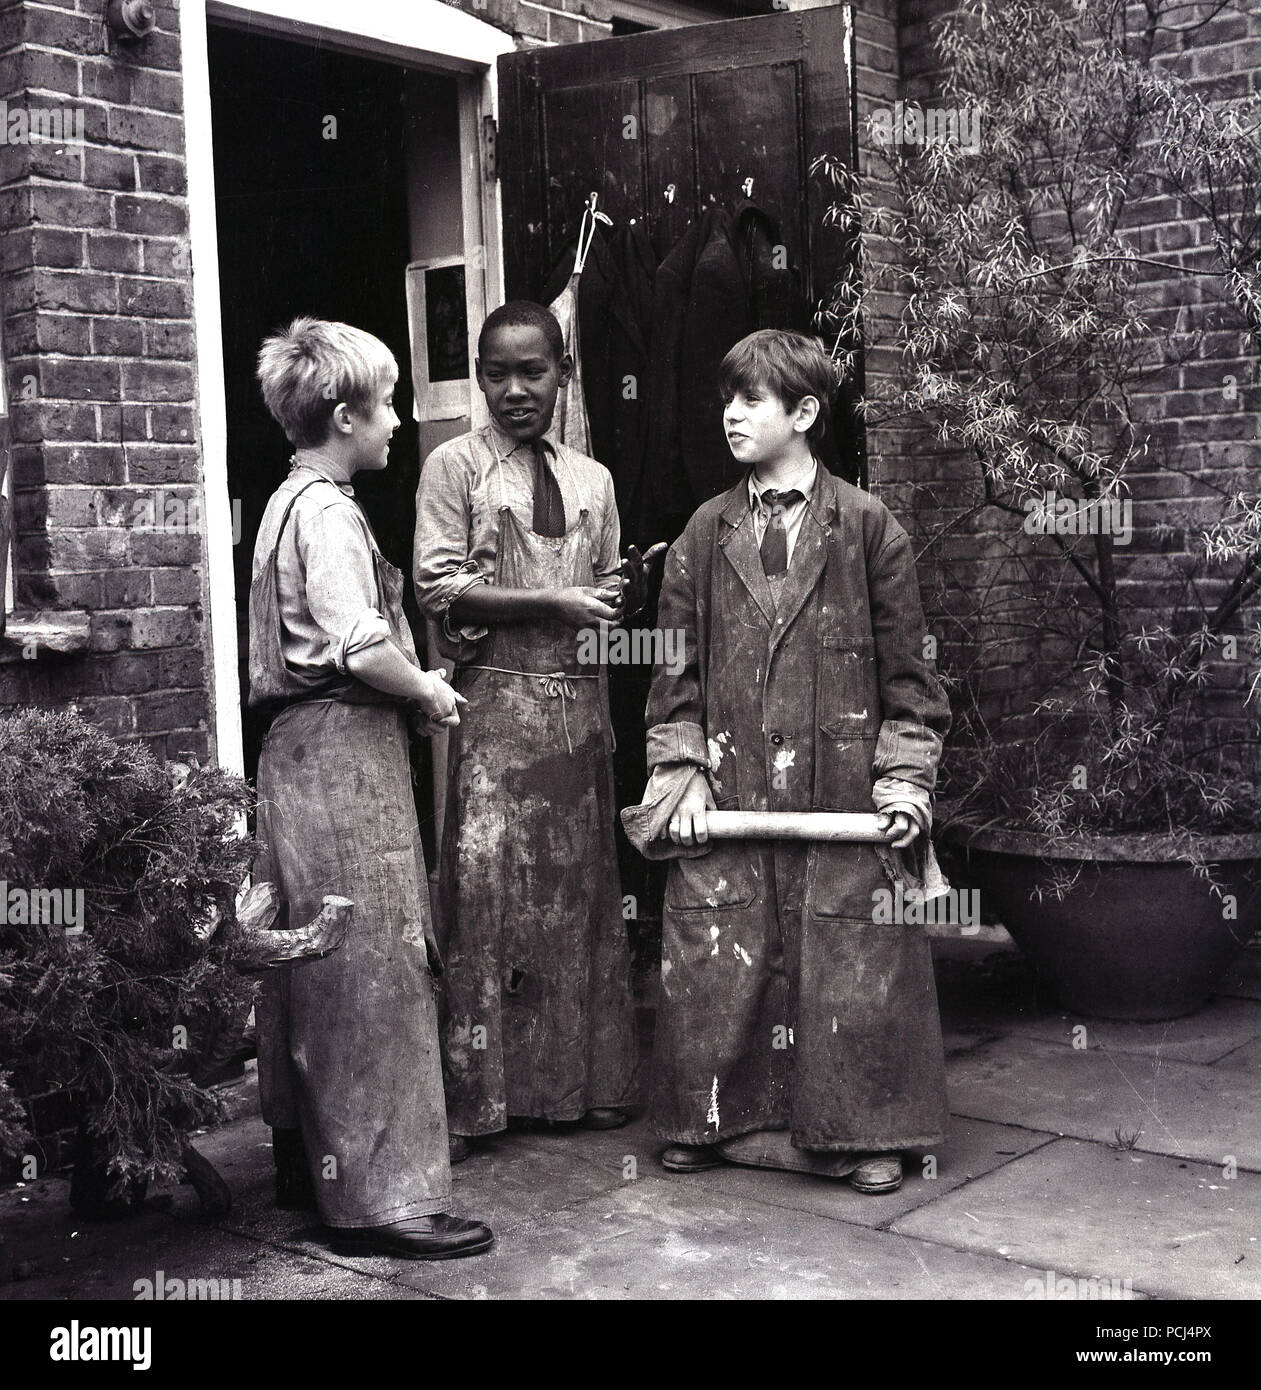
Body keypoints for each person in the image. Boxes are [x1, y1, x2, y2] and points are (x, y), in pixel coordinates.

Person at [624, 329, 952, 1194]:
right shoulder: (703, 532)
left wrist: (905, 777)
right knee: (721, 949)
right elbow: (673, 670)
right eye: (725, 398)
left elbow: (910, 677)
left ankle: (866, 1130)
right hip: (729, 792)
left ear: (803, 413)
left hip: (840, 793)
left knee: (850, 959)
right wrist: (679, 769)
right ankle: (714, 1118)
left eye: (750, 401)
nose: (730, 414)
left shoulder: (869, 527)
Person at [249, 317, 492, 1259]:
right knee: (375, 970)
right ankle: (386, 1202)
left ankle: (307, 1169)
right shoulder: (331, 513)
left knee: (305, 964)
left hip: (294, 755)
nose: (397, 421)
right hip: (345, 750)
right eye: (386, 405)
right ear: (344, 415)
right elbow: (357, 641)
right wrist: (427, 687)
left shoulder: (282, 501)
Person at [414, 301, 639, 1157]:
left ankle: (585, 1085)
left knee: (579, 902)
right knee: (488, 901)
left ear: (562, 373)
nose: (514, 390)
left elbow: (608, 592)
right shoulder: (454, 469)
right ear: (478, 375)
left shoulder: (593, 480)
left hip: (578, 714)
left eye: (532, 371)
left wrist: (621, 596)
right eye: (497, 373)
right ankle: (480, 1098)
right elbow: (437, 589)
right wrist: (551, 599)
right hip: (493, 719)